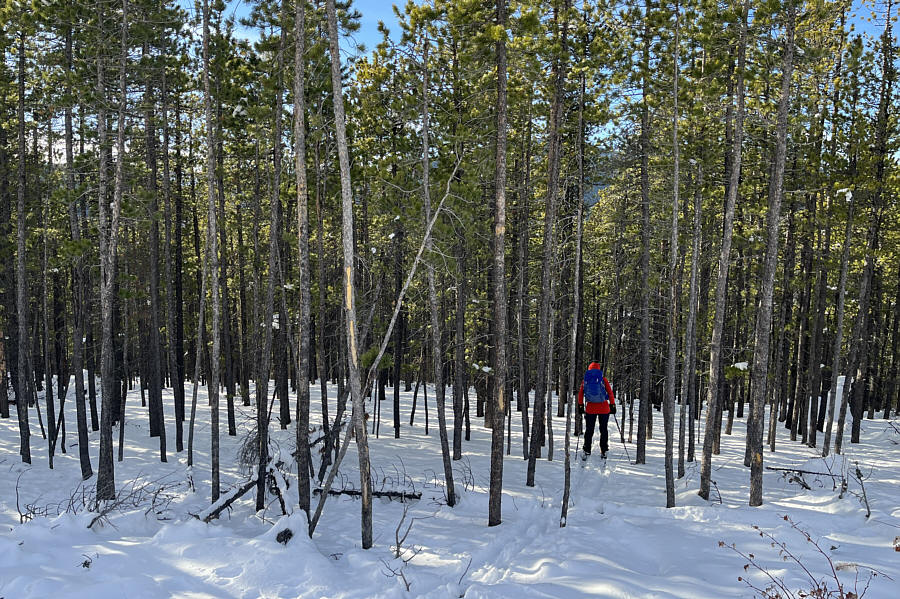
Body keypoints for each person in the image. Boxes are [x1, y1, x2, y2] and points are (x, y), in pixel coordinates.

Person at [577, 362, 615, 459]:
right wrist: (612, 404)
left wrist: (580, 405)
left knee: (589, 429)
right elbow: (610, 393)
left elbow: (580, 394)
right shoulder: (603, 379)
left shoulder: (585, 380)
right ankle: (604, 450)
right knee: (603, 429)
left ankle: (587, 449)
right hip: (604, 408)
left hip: (590, 408)